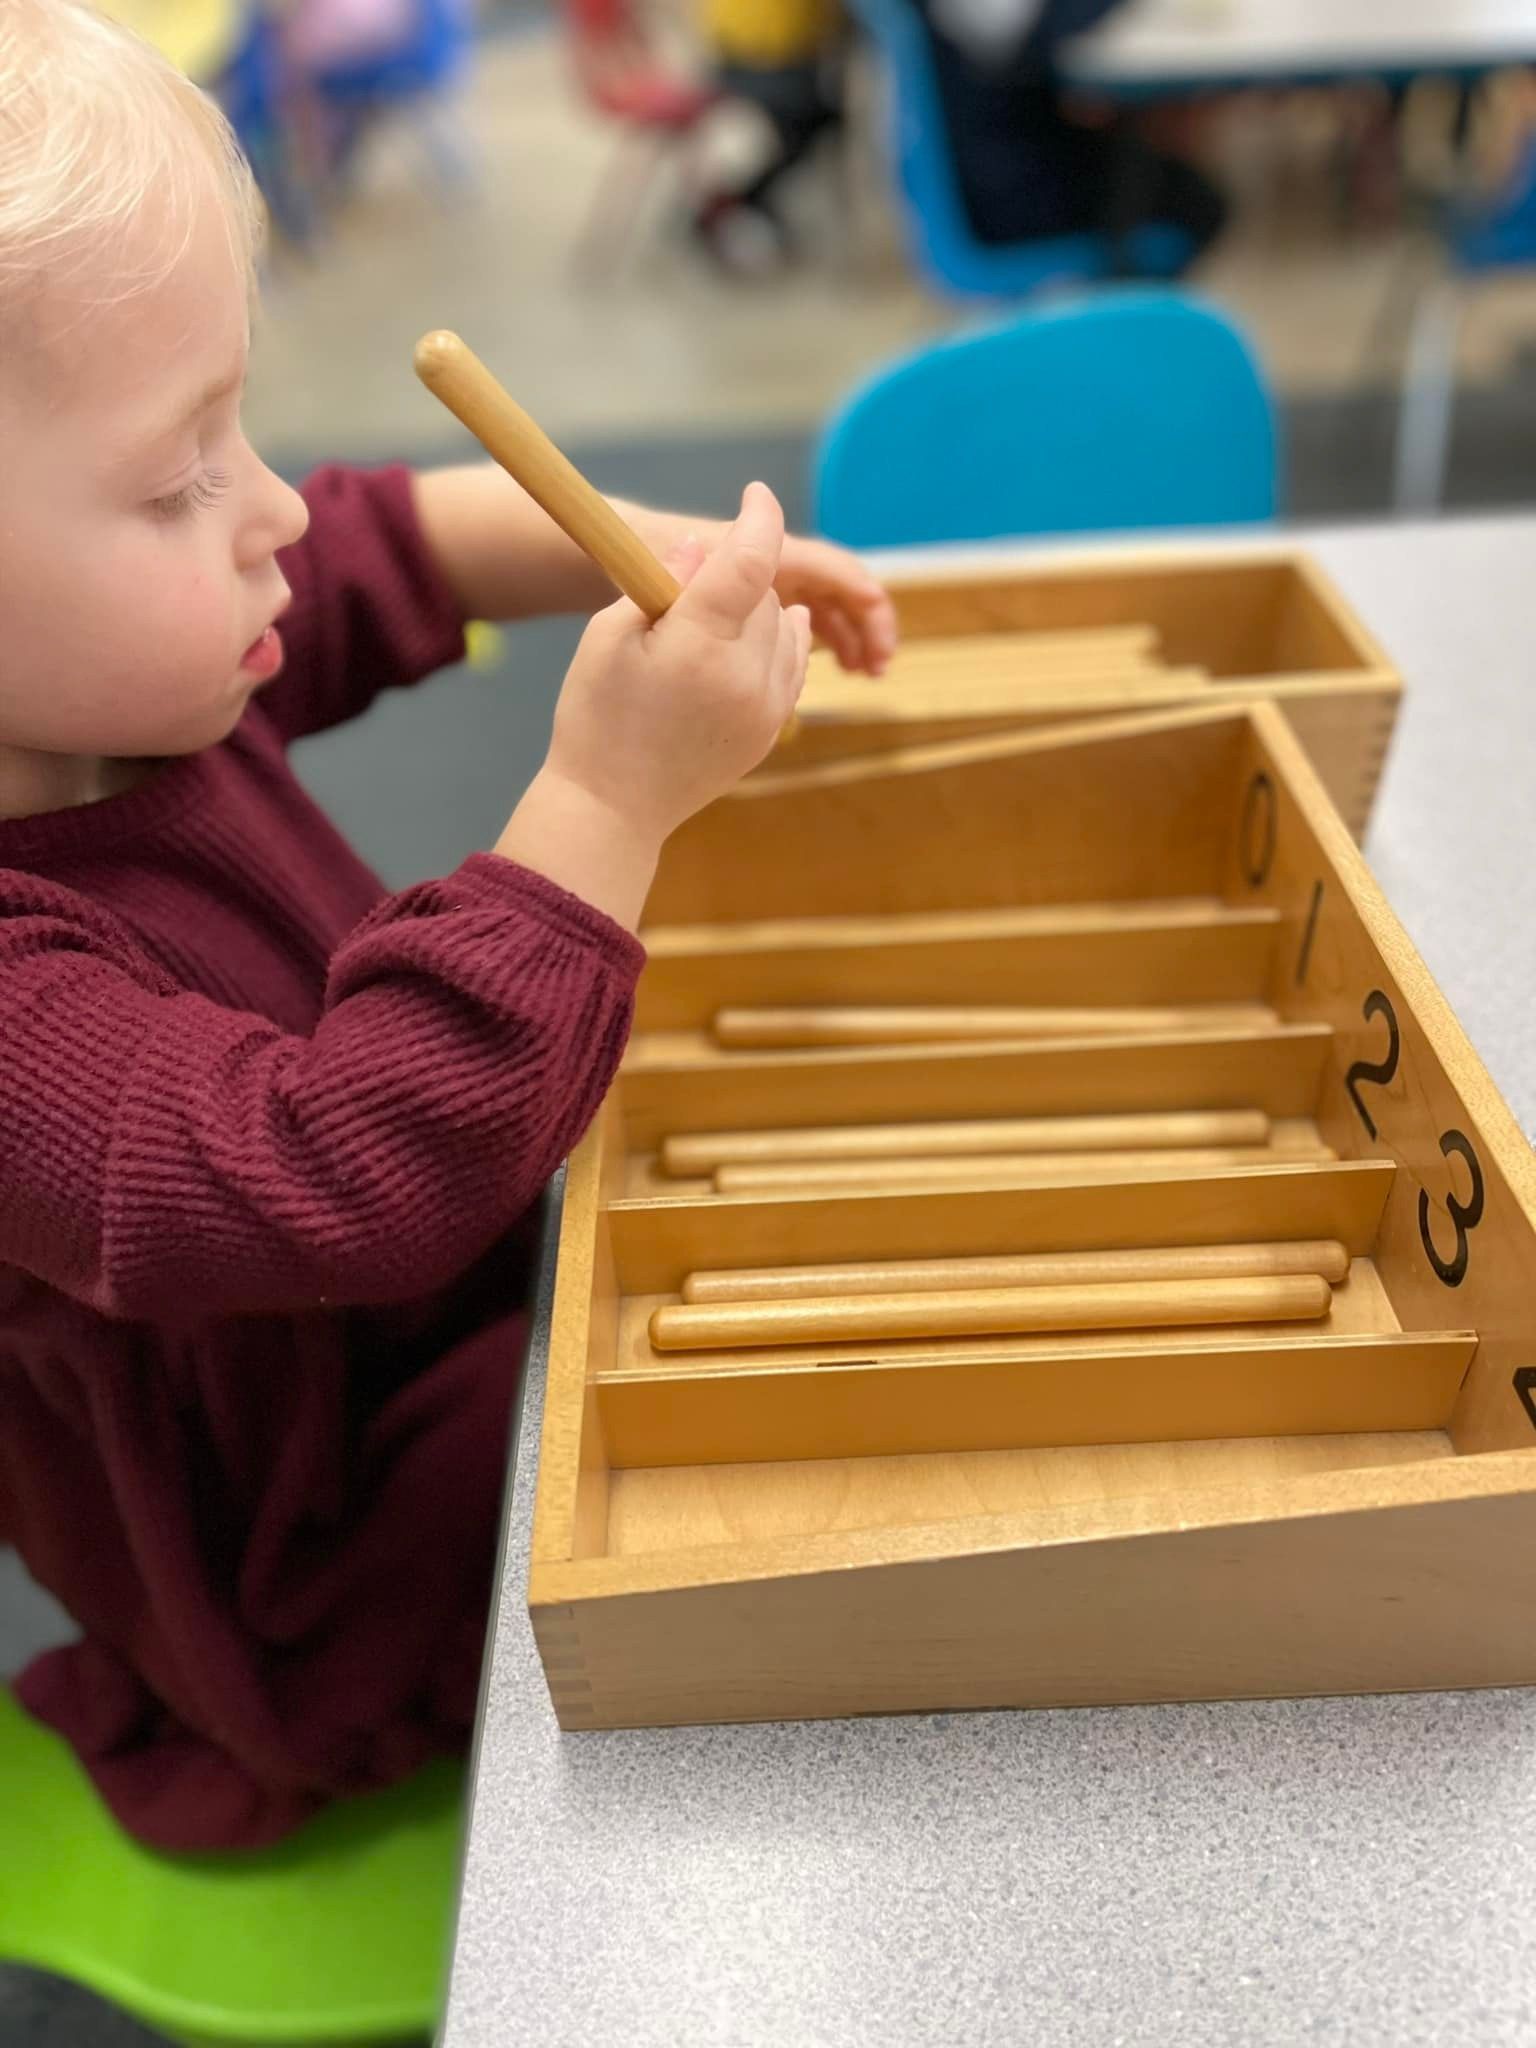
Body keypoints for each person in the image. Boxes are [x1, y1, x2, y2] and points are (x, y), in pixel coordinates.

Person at [0, 0, 897, 1852]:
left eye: (234, 425)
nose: (260, 510)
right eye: (175, 477)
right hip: (320, 1577)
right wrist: (607, 800)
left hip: (438, 1333)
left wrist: (640, 541)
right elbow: (326, 1174)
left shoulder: (130, 666)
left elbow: (386, 536)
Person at [915, 0, 1226, 264]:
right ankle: (1116, 314)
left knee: (1183, 188)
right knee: (1191, 204)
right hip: (1006, 185)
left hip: (1010, 156)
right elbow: (1041, 40)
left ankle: (1123, 313)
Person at [694, 0, 846, 268]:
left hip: (736, 54)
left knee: (801, 128)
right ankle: (739, 205)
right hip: (772, 61)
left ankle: (740, 205)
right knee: (810, 123)